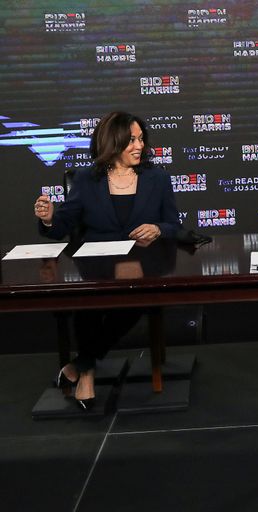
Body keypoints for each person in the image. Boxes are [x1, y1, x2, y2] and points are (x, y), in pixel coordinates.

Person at [33, 111, 180, 410]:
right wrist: (49, 220)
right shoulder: (87, 180)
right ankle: (84, 371)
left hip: (143, 265)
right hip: (96, 265)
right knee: (89, 303)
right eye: (131, 140)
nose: (139, 146)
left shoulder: (158, 178)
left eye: (141, 139)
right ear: (113, 143)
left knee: (132, 302)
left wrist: (157, 229)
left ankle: (81, 367)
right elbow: (62, 225)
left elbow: (174, 225)